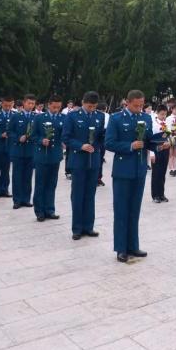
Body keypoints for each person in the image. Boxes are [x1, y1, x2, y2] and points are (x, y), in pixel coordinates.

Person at [104, 90, 165, 262]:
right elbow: (109, 143)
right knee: (121, 210)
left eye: (141, 105)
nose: (139, 108)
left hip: (139, 169)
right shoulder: (116, 118)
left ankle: (133, 245)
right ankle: (121, 248)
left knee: (134, 210)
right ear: (128, 103)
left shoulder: (146, 118)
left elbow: (148, 141)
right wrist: (129, 146)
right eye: (136, 105)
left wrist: (160, 145)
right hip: (123, 170)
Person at [62, 91, 107, 240]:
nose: (91, 109)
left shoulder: (100, 116)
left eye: (94, 106)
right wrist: (81, 146)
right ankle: (77, 228)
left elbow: (102, 137)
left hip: (93, 160)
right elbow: (66, 138)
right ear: (83, 102)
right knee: (77, 195)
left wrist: (97, 146)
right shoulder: (72, 116)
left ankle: (89, 227)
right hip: (78, 160)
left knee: (90, 195)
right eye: (89, 106)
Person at [32, 95, 65, 222]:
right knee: (40, 184)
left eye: (58, 107)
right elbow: (33, 135)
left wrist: (63, 141)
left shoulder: (63, 118)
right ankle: (39, 211)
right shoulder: (39, 118)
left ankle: (50, 209)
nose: (56, 109)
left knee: (52, 184)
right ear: (48, 105)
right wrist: (41, 140)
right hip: (42, 155)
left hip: (55, 155)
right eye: (54, 106)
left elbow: (64, 134)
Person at [7, 94, 38, 210]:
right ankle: (17, 200)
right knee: (17, 176)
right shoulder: (16, 116)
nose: (31, 105)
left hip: (30, 151)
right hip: (18, 150)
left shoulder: (36, 117)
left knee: (28, 176)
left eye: (33, 103)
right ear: (24, 103)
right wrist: (18, 137)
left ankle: (26, 199)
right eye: (29, 103)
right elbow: (9, 132)